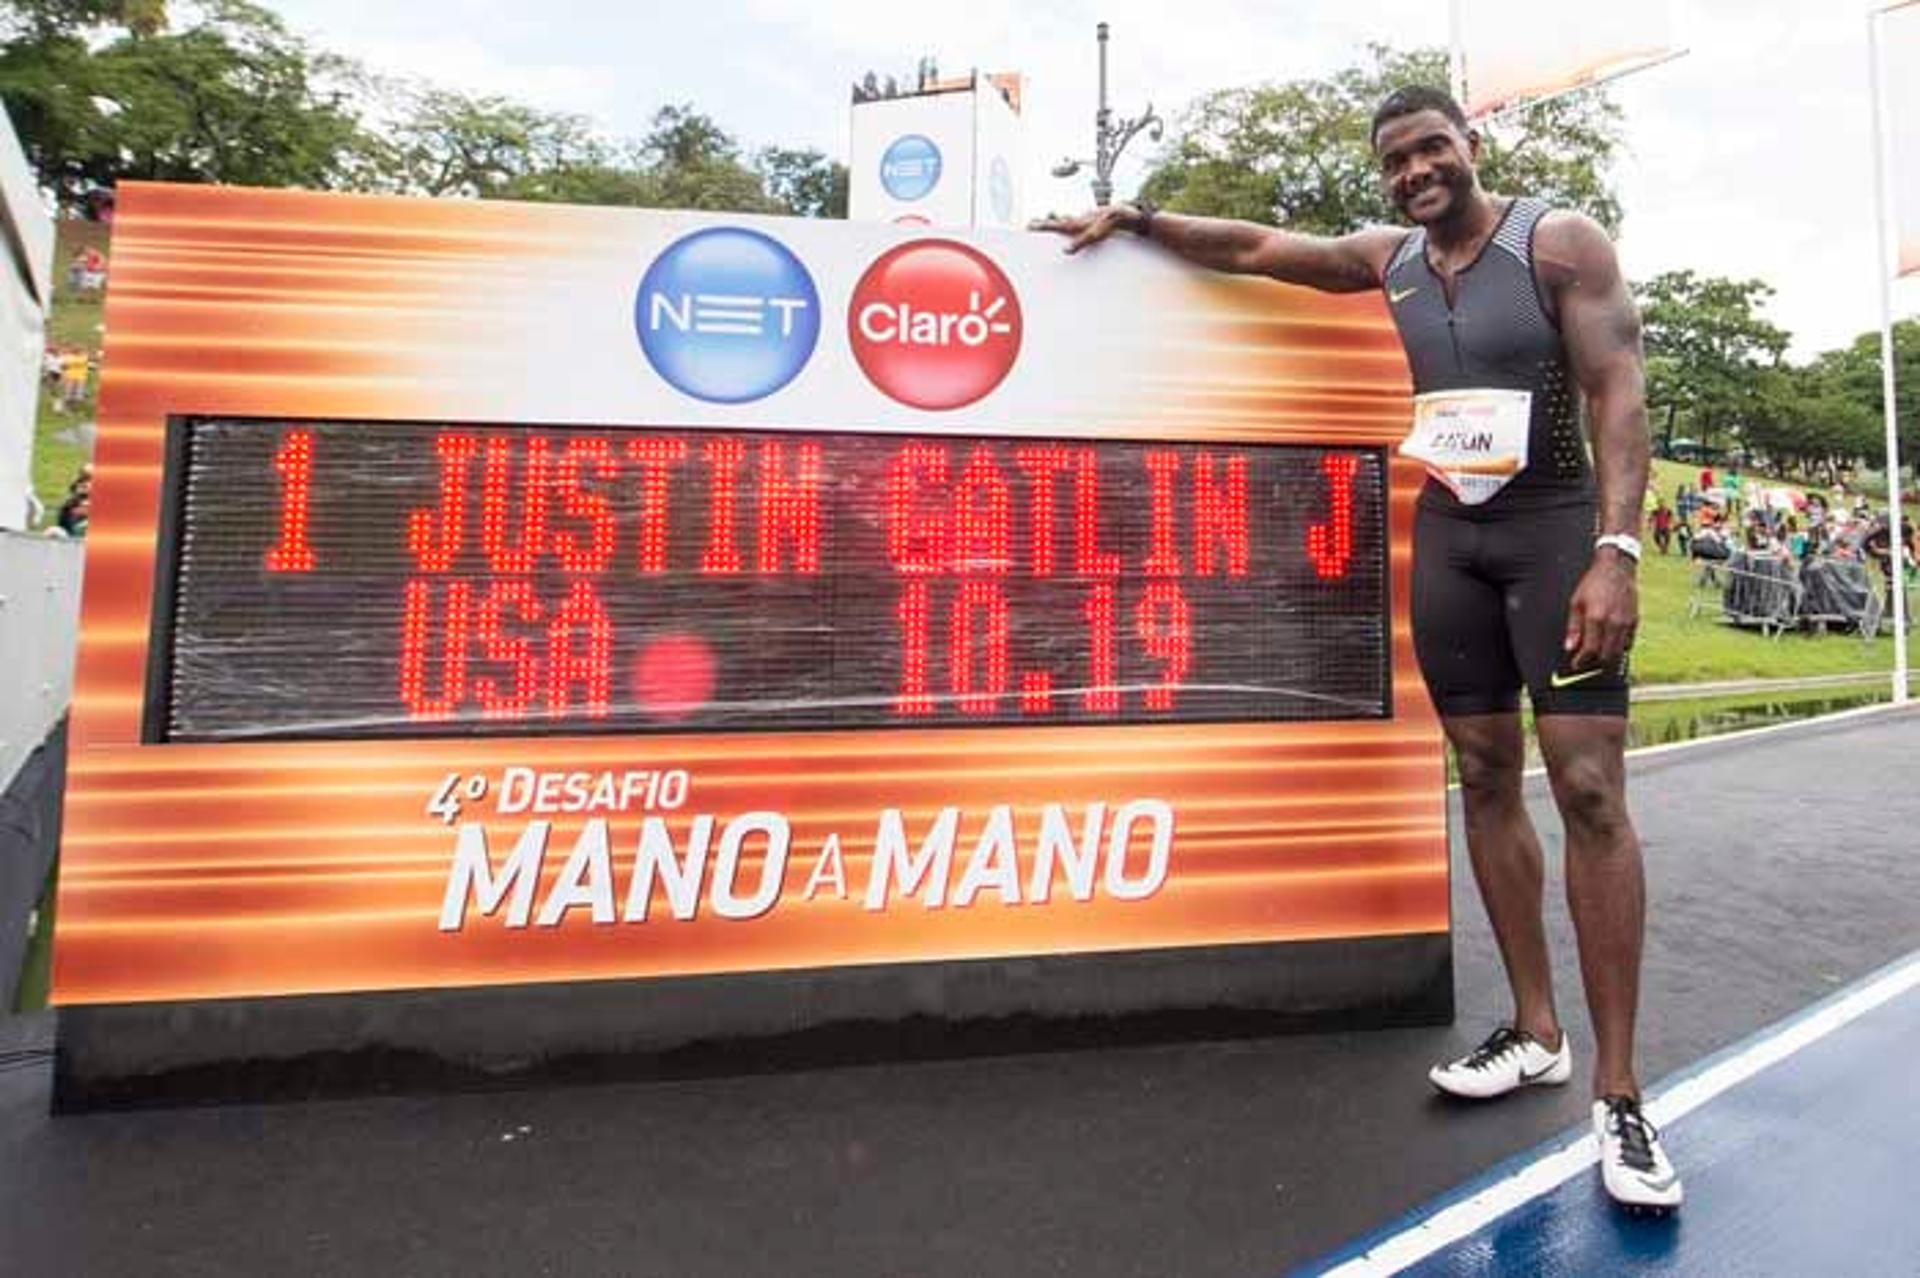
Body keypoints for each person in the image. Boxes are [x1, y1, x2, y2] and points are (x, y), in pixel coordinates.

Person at [1035, 83, 1679, 1213]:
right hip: (1452, 540)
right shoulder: (1387, 260)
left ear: (1471, 146)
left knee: (1586, 790)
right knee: (1481, 775)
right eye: (1395, 160)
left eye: (1432, 148)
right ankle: (1536, 1032)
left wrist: (1616, 550)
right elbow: (1255, 247)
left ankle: (1621, 1095)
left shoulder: (1558, 243)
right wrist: (1140, 220)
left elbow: (1616, 386)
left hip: (1553, 537)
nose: (1416, 170)